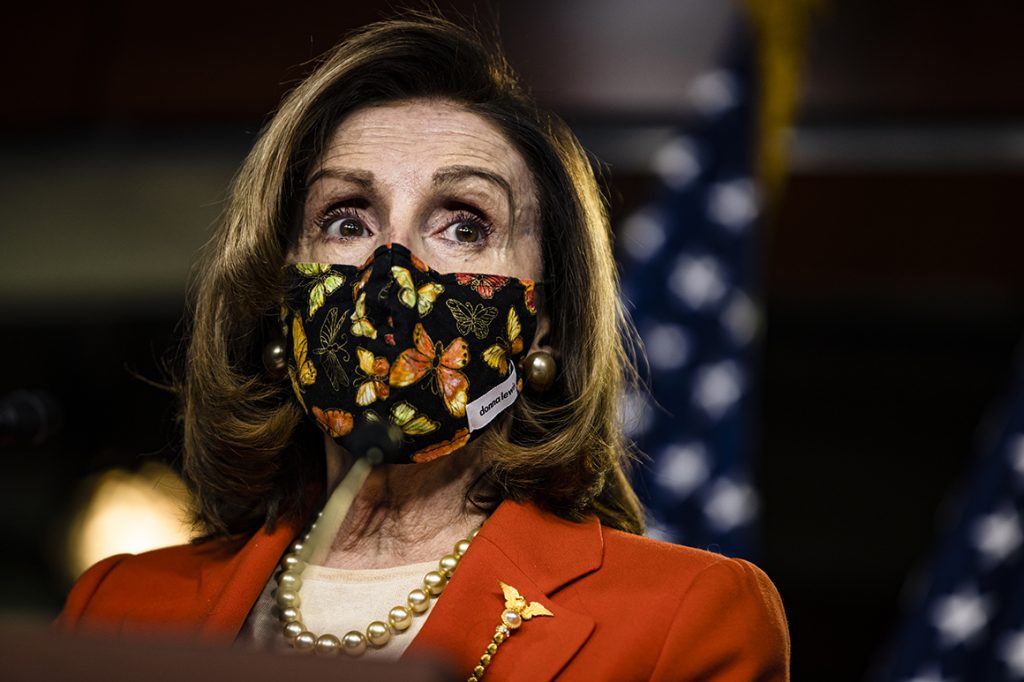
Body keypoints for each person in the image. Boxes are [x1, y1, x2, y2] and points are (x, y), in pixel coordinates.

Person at [56, 14, 790, 681]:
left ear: (544, 325)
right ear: (278, 299)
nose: (392, 275)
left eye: (464, 225)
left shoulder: (684, 615)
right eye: (347, 221)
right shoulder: (119, 609)